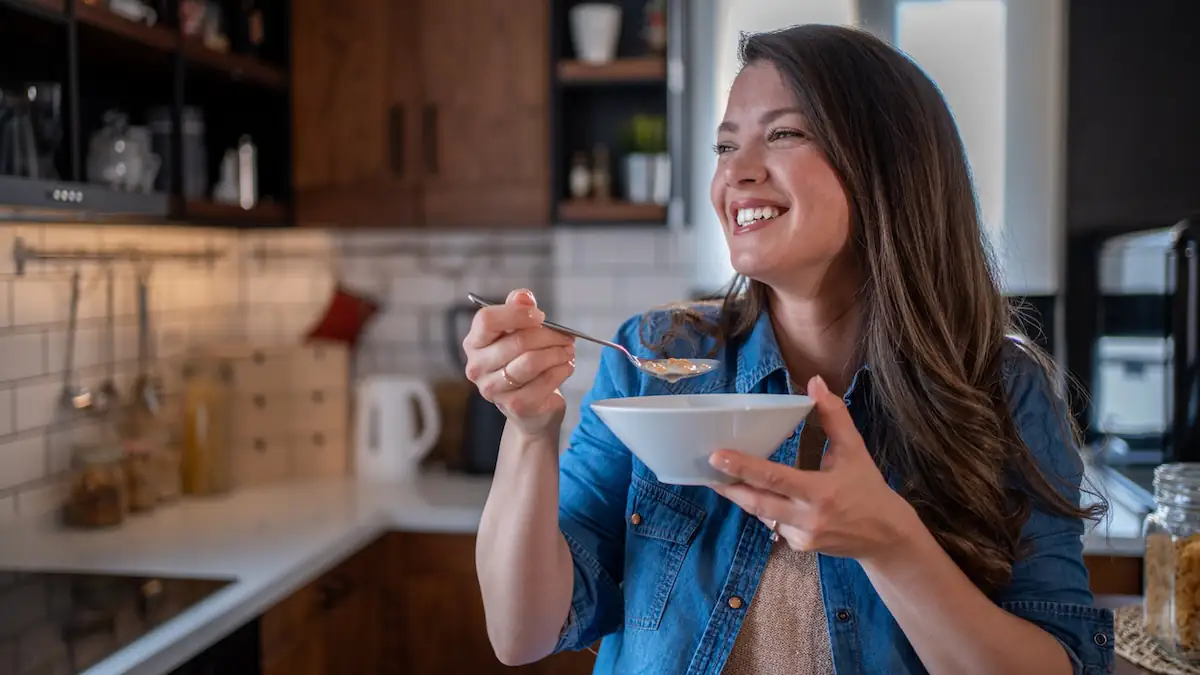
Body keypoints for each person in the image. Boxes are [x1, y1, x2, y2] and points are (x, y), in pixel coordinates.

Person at [464, 24, 1114, 675]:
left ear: (888, 166)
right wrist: (529, 429)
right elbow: (522, 633)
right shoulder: (655, 357)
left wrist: (890, 543)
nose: (736, 172)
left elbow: (1061, 662)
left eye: (783, 134)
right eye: (726, 145)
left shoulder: (1000, 386)